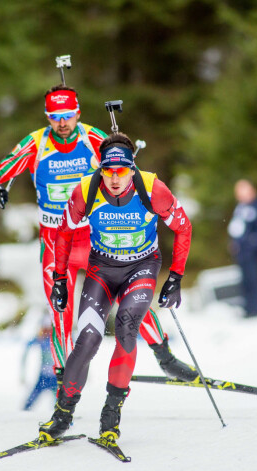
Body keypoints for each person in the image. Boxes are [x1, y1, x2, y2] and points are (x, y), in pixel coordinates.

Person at [0, 85, 197, 387]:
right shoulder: (36, 144)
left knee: (128, 299)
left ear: (78, 113)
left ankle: (165, 357)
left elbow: (127, 171)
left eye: (68, 115)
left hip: (94, 239)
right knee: (60, 309)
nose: (62, 123)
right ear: (47, 117)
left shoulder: (93, 138)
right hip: (56, 242)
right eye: (55, 116)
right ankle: (63, 381)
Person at [38, 131, 192, 444]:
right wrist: (59, 279)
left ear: (132, 169)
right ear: (101, 170)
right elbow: (63, 234)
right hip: (102, 270)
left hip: (141, 268)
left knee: (126, 325)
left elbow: (183, 227)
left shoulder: (152, 188)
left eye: (121, 171)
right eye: (108, 171)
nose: (114, 179)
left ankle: (111, 413)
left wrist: (175, 277)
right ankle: (63, 413)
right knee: (88, 339)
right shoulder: (86, 189)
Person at [227, 179, 257, 317]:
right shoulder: (239, 208)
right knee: (244, 280)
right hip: (241, 251)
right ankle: (247, 307)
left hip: (252, 251)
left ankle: (255, 308)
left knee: (253, 279)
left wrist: (253, 242)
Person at [21, 320, 57, 411]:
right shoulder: (42, 339)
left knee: (60, 401)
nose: (46, 331)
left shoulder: (55, 339)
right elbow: (27, 346)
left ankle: (63, 416)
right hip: (44, 376)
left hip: (56, 375)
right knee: (30, 401)